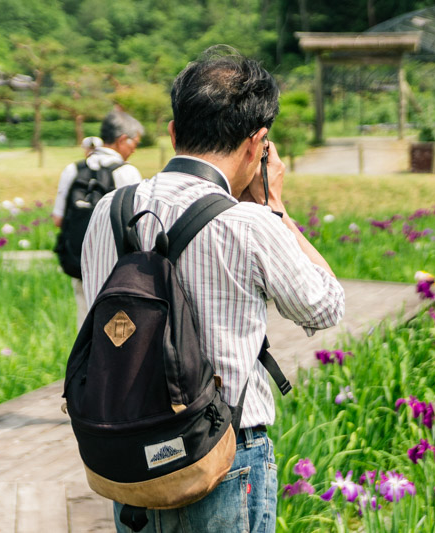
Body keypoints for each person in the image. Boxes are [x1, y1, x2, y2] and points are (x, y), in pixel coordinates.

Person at [81, 46, 345, 533]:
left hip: (127, 458)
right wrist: (276, 208)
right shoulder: (249, 223)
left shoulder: (109, 211)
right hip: (223, 458)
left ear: (174, 133)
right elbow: (326, 306)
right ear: (258, 143)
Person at [52, 111, 144, 327]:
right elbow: (137, 225)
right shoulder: (127, 172)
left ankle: (83, 361)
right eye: (135, 143)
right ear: (123, 139)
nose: (134, 149)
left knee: (84, 323)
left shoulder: (73, 169)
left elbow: (58, 219)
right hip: (116, 269)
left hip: (79, 262)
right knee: (115, 330)